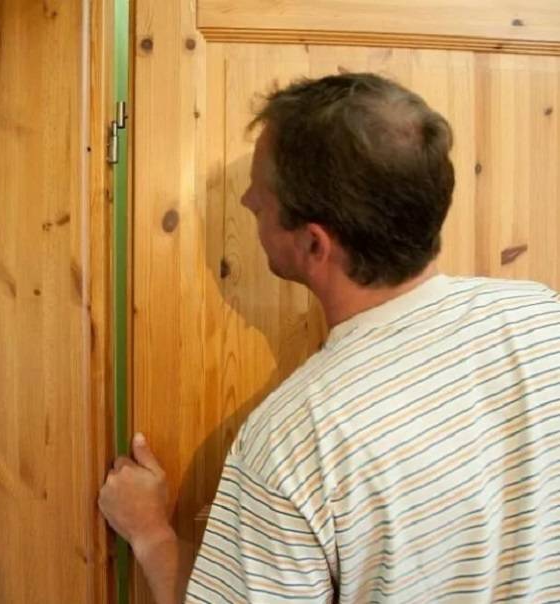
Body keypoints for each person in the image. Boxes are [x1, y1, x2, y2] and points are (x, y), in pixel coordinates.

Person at [99, 73, 560, 603]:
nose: (246, 199)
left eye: (260, 200)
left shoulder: (296, 438)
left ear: (315, 244)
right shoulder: (541, 316)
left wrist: (151, 533)